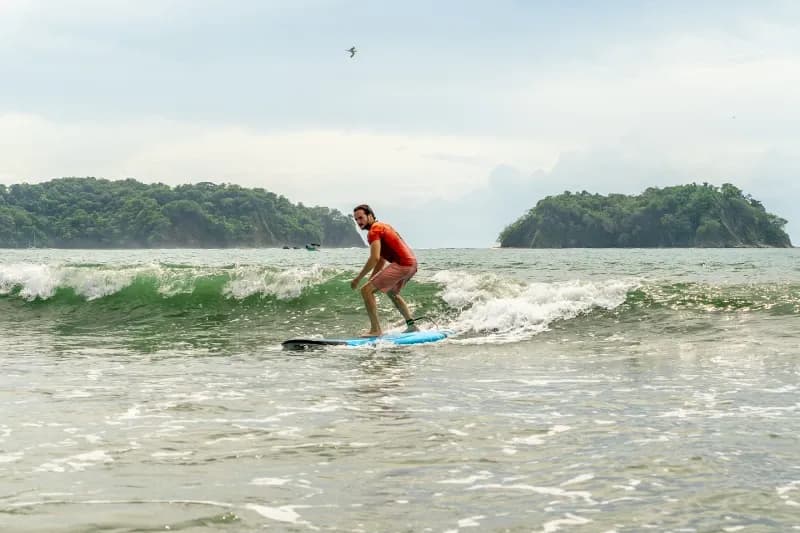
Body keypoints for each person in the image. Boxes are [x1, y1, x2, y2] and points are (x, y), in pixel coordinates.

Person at [351, 204, 419, 336]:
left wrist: (358, 279)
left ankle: (376, 329)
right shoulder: (383, 226)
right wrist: (371, 279)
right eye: (356, 220)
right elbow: (381, 260)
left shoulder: (374, 231)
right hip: (412, 265)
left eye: (361, 218)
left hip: (402, 264)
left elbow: (374, 258)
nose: (359, 222)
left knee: (365, 291)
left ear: (370, 216)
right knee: (392, 293)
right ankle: (412, 325)